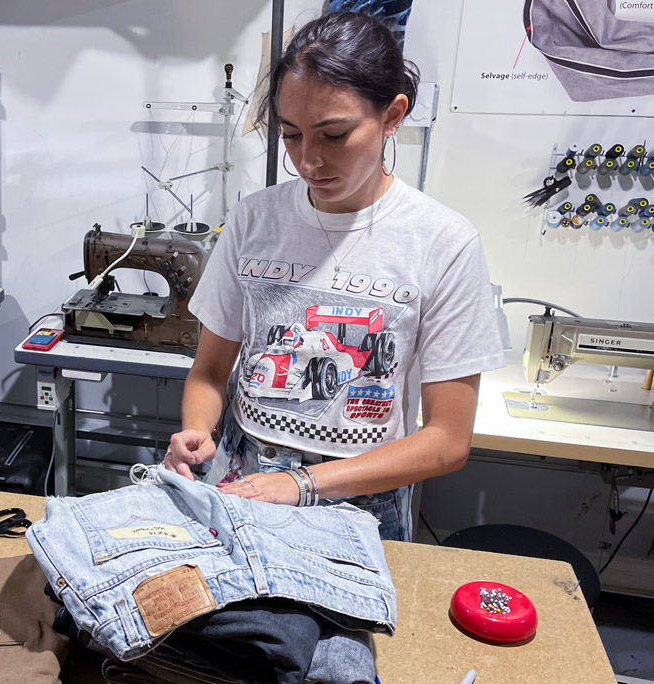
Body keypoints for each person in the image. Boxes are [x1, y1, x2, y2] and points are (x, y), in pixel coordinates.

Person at [165, 12, 504, 540]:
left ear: (392, 117)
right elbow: (210, 372)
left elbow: (447, 439)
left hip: (359, 497)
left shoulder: (442, 241)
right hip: (243, 477)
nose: (308, 160)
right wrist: (195, 429)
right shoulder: (255, 220)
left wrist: (304, 484)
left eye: (334, 134)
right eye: (292, 136)